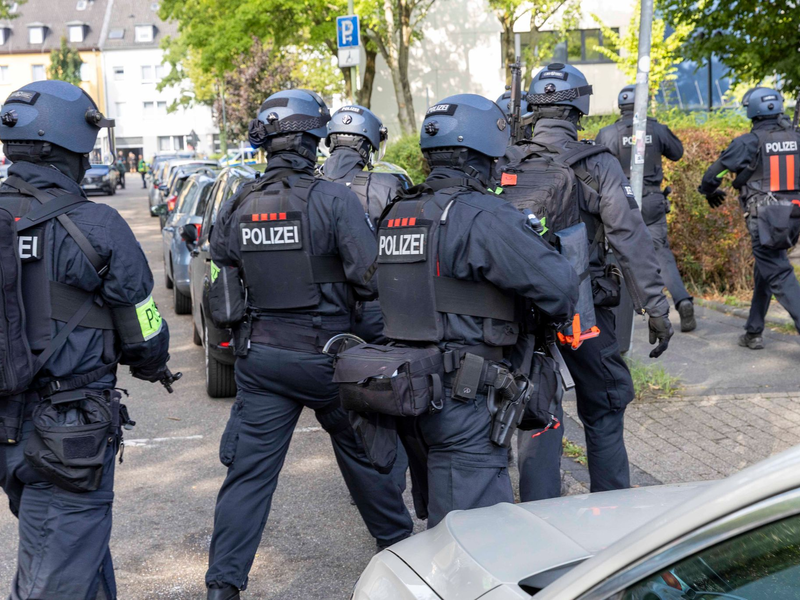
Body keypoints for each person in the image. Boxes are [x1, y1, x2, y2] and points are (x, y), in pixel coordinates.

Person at [205, 89, 414, 600]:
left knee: (249, 479)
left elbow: (222, 269)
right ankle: (404, 557)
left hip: (261, 361)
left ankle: (222, 588)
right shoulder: (335, 200)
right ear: (311, 141)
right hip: (327, 360)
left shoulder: (239, 202)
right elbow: (371, 279)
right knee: (364, 459)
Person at [0, 81, 174, 599]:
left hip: (5, 426)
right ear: (71, 148)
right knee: (52, 583)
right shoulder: (96, 224)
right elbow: (143, 327)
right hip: (67, 436)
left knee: (76, 555)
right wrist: (152, 361)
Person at [372, 93, 579, 527]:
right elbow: (560, 288)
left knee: (438, 521)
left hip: (409, 394)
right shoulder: (483, 215)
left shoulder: (399, 211)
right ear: (483, 155)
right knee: (474, 538)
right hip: (463, 398)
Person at [498, 63, 674, 500]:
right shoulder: (596, 163)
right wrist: (655, 308)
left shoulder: (502, 162)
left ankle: (537, 516)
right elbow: (630, 240)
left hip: (514, 309)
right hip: (581, 309)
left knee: (534, 409)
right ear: (581, 105)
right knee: (605, 403)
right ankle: (612, 515)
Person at [699, 87, 800, 347]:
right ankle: (753, 331)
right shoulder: (796, 137)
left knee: (778, 273)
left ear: (753, 110)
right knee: (766, 267)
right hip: (794, 215)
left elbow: (714, 175)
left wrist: (709, 191)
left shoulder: (748, 142)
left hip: (765, 217)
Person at [596, 85, 696, 332]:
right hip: (652, 200)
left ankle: (626, 319)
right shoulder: (656, 129)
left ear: (620, 106)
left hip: (620, 201)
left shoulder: (608, 133)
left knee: (621, 252)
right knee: (661, 254)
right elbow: (678, 152)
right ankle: (682, 300)